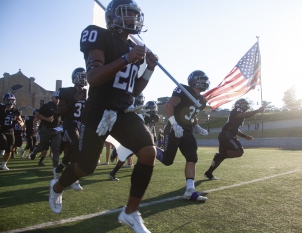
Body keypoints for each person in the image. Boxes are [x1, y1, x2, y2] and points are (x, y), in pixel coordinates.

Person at [49, 1, 158, 232]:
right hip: (99, 110)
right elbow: (94, 77)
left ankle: (130, 212)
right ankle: (57, 187)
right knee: (86, 167)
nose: (133, 19)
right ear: (113, 17)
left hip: (123, 111)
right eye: (127, 14)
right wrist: (127, 59)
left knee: (149, 151)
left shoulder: (132, 45)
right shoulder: (99, 36)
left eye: (135, 15)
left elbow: (133, 91)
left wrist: (148, 68)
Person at [156, 70, 210, 202]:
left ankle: (190, 190)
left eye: (204, 80)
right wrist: (174, 124)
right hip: (174, 128)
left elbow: (192, 114)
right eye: (200, 79)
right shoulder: (183, 90)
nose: (203, 82)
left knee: (192, 157)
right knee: (168, 161)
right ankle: (150, 148)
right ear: (193, 80)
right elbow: (169, 106)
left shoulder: (202, 100)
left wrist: (195, 125)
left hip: (187, 130)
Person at [203, 99, 264, 180]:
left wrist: (245, 136)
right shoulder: (237, 110)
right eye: (245, 104)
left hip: (225, 134)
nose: (246, 106)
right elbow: (242, 115)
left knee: (222, 156)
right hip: (227, 135)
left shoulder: (238, 114)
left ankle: (209, 173)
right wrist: (257, 111)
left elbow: (236, 130)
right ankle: (217, 156)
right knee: (239, 152)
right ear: (240, 105)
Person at [52, 67, 87, 191]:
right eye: (81, 76)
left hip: (81, 125)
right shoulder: (66, 91)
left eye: (84, 76)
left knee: (75, 148)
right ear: (74, 78)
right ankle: (74, 178)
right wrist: (74, 100)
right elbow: (59, 111)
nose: (83, 79)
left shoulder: (86, 93)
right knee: (76, 145)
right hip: (69, 123)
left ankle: (59, 169)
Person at [30, 92, 62, 168]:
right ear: (52, 98)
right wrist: (47, 119)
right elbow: (37, 115)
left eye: (59, 98)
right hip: (46, 129)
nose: (58, 99)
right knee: (43, 147)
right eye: (56, 97)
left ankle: (55, 167)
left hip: (56, 130)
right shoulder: (47, 106)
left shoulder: (60, 106)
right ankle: (34, 151)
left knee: (56, 148)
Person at [0, 93, 24, 170]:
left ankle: (3, 164)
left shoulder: (16, 111)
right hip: (1, 130)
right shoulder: (1, 109)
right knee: (3, 144)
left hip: (10, 131)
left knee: (9, 148)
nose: (10, 102)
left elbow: (20, 120)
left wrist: (21, 123)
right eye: (8, 100)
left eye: (12, 100)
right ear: (5, 100)